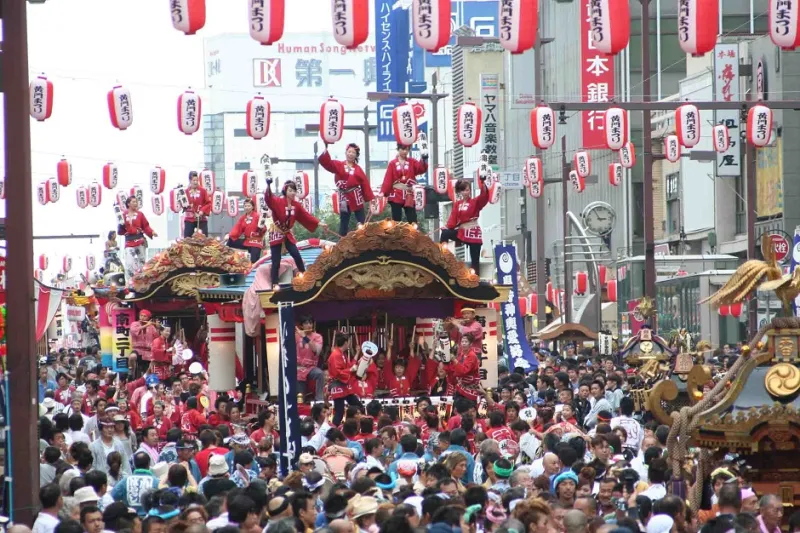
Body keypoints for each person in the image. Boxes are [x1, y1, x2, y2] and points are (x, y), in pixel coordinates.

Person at [263, 178, 322, 286]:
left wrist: (319, 223)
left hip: (287, 233)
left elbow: (306, 216)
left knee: (296, 255)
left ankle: (305, 277)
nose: (292, 193)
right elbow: (269, 198)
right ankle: (274, 284)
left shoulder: (296, 205)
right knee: (276, 260)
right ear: (285, 191)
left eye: (294, 190)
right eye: (290, 190)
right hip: (277, 232)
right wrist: (268, 185)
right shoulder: (278, 201)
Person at [318, 142, 374, 235]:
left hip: (356, 196)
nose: (351, 154)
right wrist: (325, 150)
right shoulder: (339, 165)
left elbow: (365, 184)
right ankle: (342, 241)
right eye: (349, 152)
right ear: (346, 152)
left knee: (361, 220)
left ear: (356, 155)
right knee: (344, 221)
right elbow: (328, 163)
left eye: (353, 153)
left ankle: (366, 239)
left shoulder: (358, 169)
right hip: (343, 197)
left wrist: (371, 199)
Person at [440, 176, 489, 274]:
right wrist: (447, 227)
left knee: (475, 260)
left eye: (467, 190)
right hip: (462, 232)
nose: (466, 192)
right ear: (460, 192)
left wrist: (483, 184)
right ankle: (442, 258)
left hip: (473, 231)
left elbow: (484, 196)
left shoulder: (475, 202)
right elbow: (453, 219)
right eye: (463, 190)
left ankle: (475, 280)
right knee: (445, 233)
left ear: (470, 191)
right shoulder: (458, 204)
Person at [379, 143, 428, 223]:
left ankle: (413, 234)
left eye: (407, 149)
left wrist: (424, 159)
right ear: (398, 149)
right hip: (396, 193)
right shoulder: (392, 163)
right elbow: (388, 179)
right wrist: (383, 192)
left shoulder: (412, 161)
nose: (405, 152)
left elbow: (421, 168)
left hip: (408, 193)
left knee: (412, 219)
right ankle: (396, 235)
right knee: (396, 220)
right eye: (403, 149)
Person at [117, 196, 157, 280]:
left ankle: (143, 281)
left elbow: (146, 226)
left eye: (136, 202)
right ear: (128, 204)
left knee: (142, 262)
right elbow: (120, 230)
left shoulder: (140, 214)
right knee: (129, 264)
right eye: (134, 202)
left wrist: (152, 232)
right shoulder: (123, 215)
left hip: (139, 240)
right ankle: (129, 283)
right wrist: (122, 228)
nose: (136, 203)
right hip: (129, 242)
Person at [328, 333, 361, 426]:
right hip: (337, 384)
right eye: (349, 342)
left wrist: (357, 355)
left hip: (344, 385)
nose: (350, 344)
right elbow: (337, 372)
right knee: (339, 412)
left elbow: (349, 366)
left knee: (357, 405)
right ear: (346, 342)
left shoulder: (342, 354)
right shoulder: (335, 354)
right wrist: (350, 369)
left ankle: (352, 425)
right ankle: (333, 431)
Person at [226, 197, 267, 263]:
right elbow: (237, 228)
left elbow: (264, 228)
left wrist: (261, 228)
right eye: (245, 206)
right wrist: (230, 235)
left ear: (253, 207)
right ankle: (227, 257)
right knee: (230, 241)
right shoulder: (243, 218)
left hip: (256, 241)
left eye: (249, 206)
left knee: (254, 261)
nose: (247, 207)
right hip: (247, 241)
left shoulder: (257, 216)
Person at [296, 315, 325, 401]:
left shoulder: (318, 337)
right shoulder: (296, 336)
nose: (309, 325)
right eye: (306, 323)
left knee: (320, 374)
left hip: (311, 368)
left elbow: (316, 350)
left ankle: (319, 399)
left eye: (310, 323)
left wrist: (305, 337)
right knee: (300, 397)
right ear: (301, 326)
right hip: (298, 369)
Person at [446, 333, 481, 402]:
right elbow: (456, 370)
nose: (464, 343)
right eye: (462, 341)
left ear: (470, 344)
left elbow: (464, 371)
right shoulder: (461, 354)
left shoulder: (472, 355)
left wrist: (454, 360)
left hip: (470, 389)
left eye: (466, 342)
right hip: (461, 387)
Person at [183, 171, 212, 238]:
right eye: (194, 180)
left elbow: (208, 203)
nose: (195, 182)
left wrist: (202, 211)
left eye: (197, 180)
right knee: (187, 239)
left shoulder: (203, 191)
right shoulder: (185, 192)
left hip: (201, 219)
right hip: (189, 219)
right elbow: (183, 205)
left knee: (203, 239)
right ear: (190, 180)